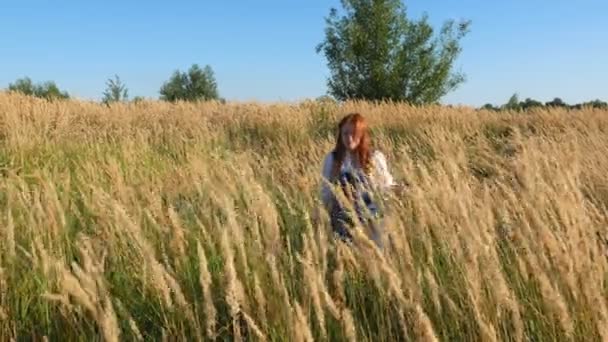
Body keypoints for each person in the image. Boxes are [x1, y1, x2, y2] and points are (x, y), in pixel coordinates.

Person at [319, 113, 401, 248]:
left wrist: (397, 190)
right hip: (342, 220)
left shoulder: (374, 157)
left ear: (362, 135)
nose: (349, 138)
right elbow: (326, 190)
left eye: (354, 133)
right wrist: (322, 213)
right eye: (345, 133)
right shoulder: (333, 159)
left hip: (371, 219)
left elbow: (385, 187)